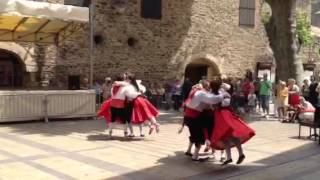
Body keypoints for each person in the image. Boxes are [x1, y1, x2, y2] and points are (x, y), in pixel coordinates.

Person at [209, 79, 255, 166]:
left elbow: (226, 103)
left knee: (231, 135)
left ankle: (240, 154)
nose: (211, 88)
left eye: (212, 86)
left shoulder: (223, 93)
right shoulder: (214, 94)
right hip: (219, 116)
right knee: (224, 137)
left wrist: (216, 103)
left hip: (225, 115)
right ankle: (229, 157)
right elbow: (212, 106)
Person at [182, 80, 224, 161]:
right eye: (208, 86)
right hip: (194, 116)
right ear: (206, 86)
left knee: (194, 135)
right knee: (199, 136)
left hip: (188, 115)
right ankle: (195, 156)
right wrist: (222, 93)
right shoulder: (202, 93)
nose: (209, 88)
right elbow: (214, 100)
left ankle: (189, 151)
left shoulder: (195, 90)